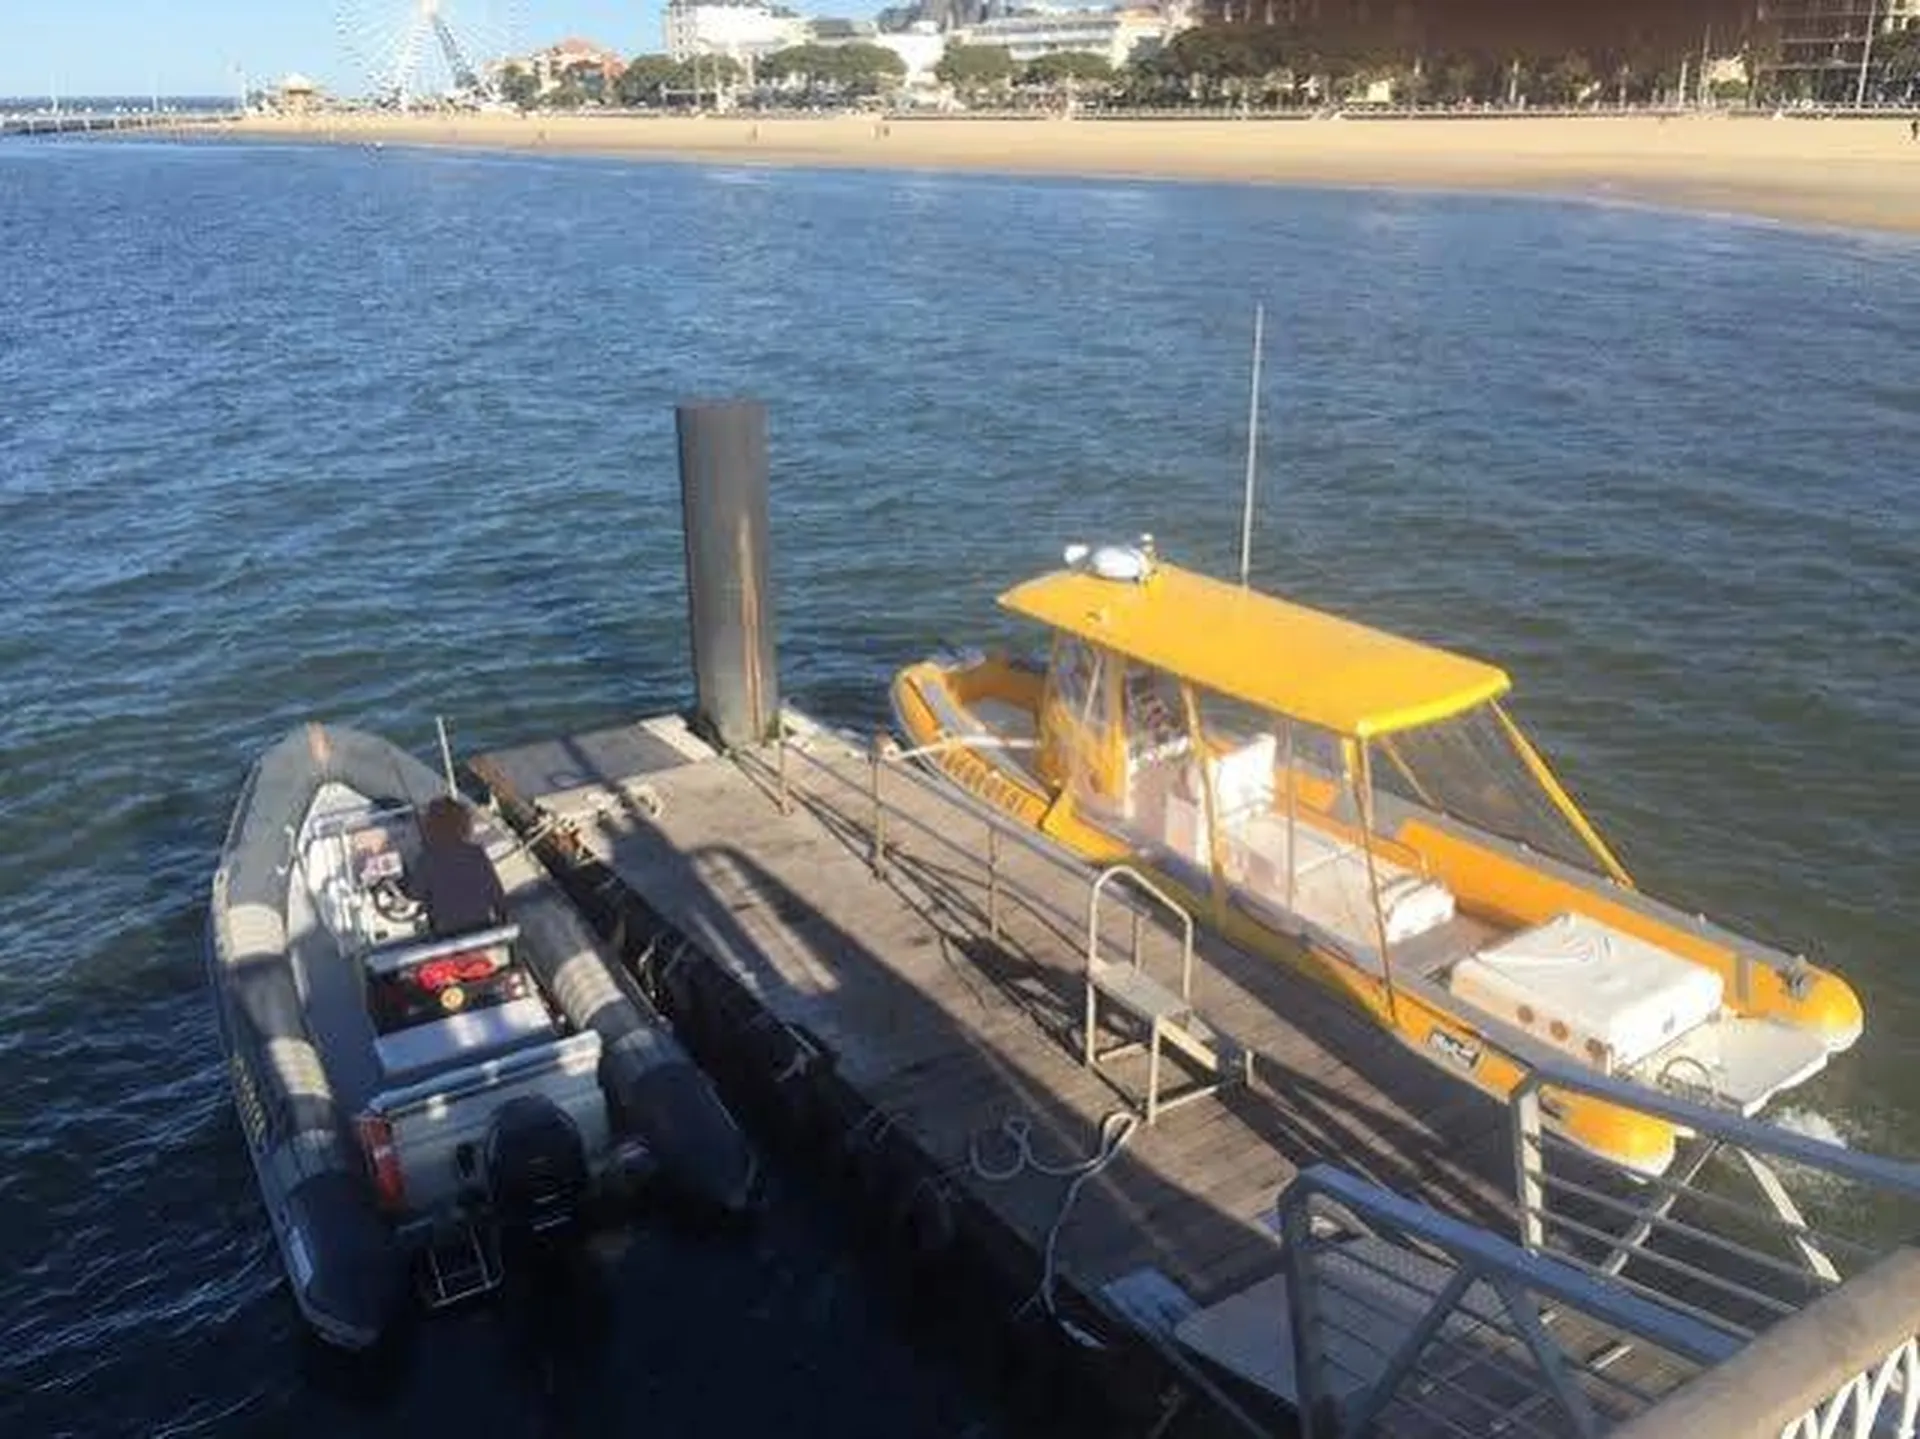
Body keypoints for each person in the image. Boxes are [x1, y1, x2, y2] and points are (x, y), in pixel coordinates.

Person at [407, 796, 507, 937]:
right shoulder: (476, 853)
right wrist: (502, 921)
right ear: (463, 824)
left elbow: (415, 893)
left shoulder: (426, 859)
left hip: (447, 934)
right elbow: (496, 892)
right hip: (482, 927)